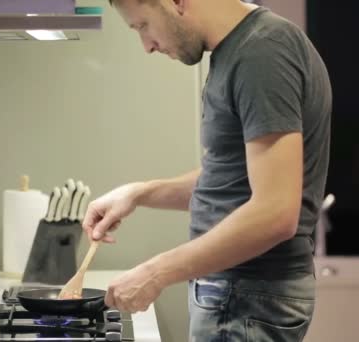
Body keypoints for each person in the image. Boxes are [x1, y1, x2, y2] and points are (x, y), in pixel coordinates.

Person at [82, 0, 332, 341]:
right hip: (240, 298)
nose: (147, 46)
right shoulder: (240, 50)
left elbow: (276, 212)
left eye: (142, 25)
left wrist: (155, 273)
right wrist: (139, 193)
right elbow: (232, 180)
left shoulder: (262, 53)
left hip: (245, 300)